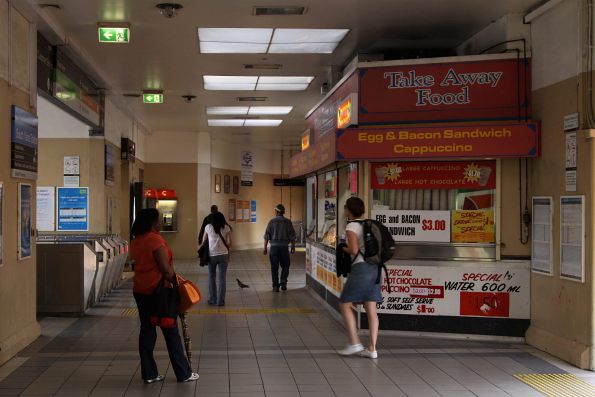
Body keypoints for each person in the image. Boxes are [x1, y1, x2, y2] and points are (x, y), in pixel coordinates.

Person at [130, 208, 199, 383]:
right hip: (159, 292)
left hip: (140, 290)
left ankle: (149, 374)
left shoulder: (136, 241)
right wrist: (177, 284)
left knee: (147, 330)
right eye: (159, 220)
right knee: (170, 330)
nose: (161, 222)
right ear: (152, 222)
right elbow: (166, 270)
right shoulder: (155, 240)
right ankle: (183, 373)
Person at [337, 197, 381, 359]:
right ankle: (372, 348)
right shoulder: (369, 224)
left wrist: (343, 248)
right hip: (375, 268)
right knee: (371, 308)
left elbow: (354, 250)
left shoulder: (352, 226)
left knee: (345, 304)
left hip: (361, 269)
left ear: (348, 210)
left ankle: (355, 343)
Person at [200, 211, 232, 306]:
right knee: (222, 279)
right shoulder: (226, 227)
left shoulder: (208, 227)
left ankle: (213, 299)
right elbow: (230, 242)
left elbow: (203, 241)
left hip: (211, 256)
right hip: (223, 255)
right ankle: (220, 301)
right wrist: (225, 248)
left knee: (211, 277)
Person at [263, 204, 296, 292]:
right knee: (286, 265)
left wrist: (265, 248)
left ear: (276, 212)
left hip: (274, 248)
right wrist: (293, 246)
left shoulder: (271, 222)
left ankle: (275, 287)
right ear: (283, 212)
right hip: (284, 248)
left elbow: (267, 236)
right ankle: (283, 281)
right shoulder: (288, 222)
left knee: (274, 267)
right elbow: (292, 236)